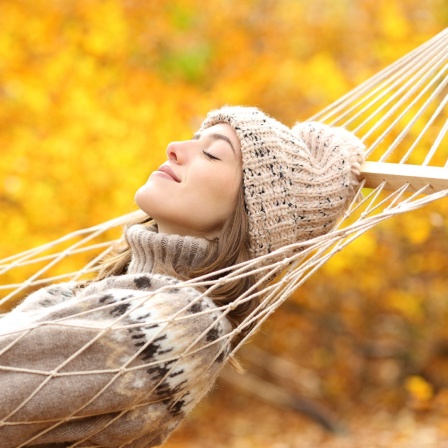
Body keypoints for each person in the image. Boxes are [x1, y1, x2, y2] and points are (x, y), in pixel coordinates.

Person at [0, 106, 364, 447]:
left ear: (249, 215)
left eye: (212, 154)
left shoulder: (181, 325)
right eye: (193, 139)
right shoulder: (86, 294)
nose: (174, 148)